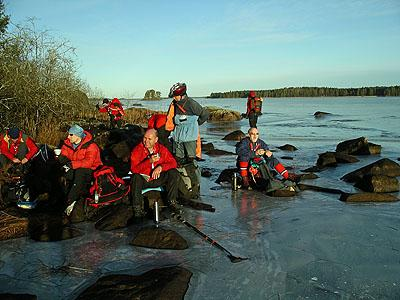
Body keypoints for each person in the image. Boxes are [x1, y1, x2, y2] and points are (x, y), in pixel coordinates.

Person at [130, 128, 181, 219]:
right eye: (145, 138)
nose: (146, 141)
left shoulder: (161, 149)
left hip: (158, 178)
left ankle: (172, 201)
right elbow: (134, 169)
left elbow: (173, 163)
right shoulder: (137, 150)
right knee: (135, 177)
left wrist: (161, 167)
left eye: (149, 139)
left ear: (156, 140)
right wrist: (149, 161)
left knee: (173, 172)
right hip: (144, 180)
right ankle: (137, 208)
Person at [58, 125, 102, 211]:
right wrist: (59, 157)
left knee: (79, 173)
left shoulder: (91, 146)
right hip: (75, 167)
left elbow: (89, 162)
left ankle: (70, 200)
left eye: (71, 135)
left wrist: (72, 164)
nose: (68, 136)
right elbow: (64, 155)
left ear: (77, 135)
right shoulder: (67, 143)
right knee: (63, 172)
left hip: (92, 170)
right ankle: (62, 196)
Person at [165, 82, 209, 164]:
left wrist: (196, 124)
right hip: (177, 137)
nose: (174, 98)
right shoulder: (174, 104)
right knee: (178, 159)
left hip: (190, 137)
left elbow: (205, 114)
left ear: (182, 95)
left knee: (190, 160)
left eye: (175, 96)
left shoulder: (191, 103)